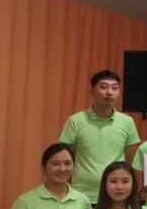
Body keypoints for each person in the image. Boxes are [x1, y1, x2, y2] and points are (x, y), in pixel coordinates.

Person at [59, 69, 140, 202]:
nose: (109, 92)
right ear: (92, 91)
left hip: (115, 195)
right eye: (103, 87)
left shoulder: (127, 122)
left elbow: (129, 162)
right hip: (81, 195)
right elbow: (66, 160)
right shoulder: (75, 121)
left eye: (114, 88)